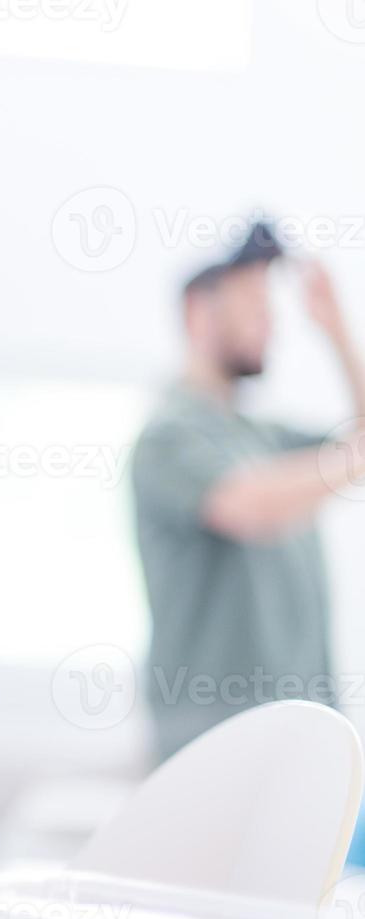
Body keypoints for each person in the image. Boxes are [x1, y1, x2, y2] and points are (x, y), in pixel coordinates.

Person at [132, 222, 365, 761]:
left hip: (299, 745)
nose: (271, 323)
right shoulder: (167, 436)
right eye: (254, 304)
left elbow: (355, 441)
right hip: (217, 754)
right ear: (200, 312)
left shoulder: (260, 435)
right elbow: (252, 505)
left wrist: (336, 331)